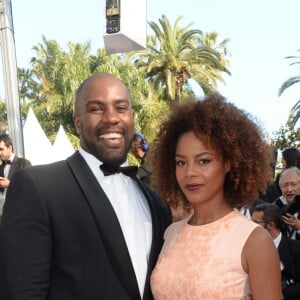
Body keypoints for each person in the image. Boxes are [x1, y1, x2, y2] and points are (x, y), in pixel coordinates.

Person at [0, 72, 171, 300]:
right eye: (96, 109)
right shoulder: (39, 187)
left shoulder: (153, 198)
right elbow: (21, 292)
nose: (112, 118)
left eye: (120, 108)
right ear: (77, 122)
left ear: (132, 116)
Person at [149, 93, 282, 299]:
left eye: (203, 161)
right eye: (181, 162)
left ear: (228, 163)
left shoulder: (254, 240)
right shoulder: (171, 233)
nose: (190, 172)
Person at [252, 203, 300, 300]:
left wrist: (281, 295)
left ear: (270, 225)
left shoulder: (296, 248)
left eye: (255, 223)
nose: (250, 227)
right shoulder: (248, 248)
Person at [0, 133, 31, 215]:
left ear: (10, 147)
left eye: (1, 149)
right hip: (4, 212)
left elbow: (30, 187)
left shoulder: (24, 163)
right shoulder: (1, 167)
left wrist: (10, 184)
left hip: (21, 211)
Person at [274, 167, 300, 240]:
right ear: (281, 189)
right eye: (285, 185)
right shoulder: (276, 207)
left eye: (293, 184)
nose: (289, 189)